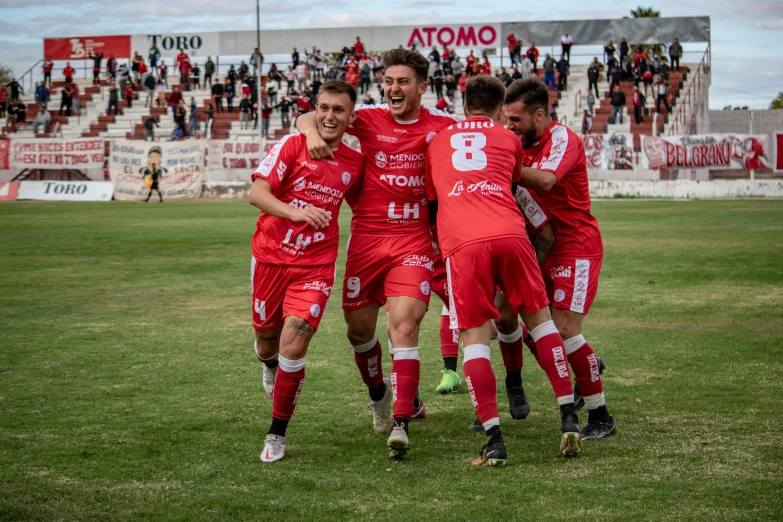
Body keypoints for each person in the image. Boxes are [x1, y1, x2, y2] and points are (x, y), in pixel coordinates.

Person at [296, 48, 459, 460]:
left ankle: (401, 421)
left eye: (402, 81)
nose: (393, 88)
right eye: (388, 80)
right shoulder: (365, 118)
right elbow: (309, 117)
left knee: (402, 328)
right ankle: (380, 397)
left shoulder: (443, 125)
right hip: (366, 241)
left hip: (413, 240)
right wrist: (313, 134)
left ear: (423, 87)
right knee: (359, 333)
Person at [427, 75, 582, 464]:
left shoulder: (437, 142)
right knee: (543, 324)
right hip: (511, 234)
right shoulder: (510, 140)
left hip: (463, 243)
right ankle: (568, 418)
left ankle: (494, 437)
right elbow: (513, 182)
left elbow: (433, 206)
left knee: (476, 339)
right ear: (500, 110)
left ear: (464, 106)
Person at [250, 80, 365, 464]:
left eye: (339, 110)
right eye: (323, 108)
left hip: (315, 266)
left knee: (294, 346)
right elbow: (257, 194)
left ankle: (277, 433)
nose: (330, 115)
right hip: (269, 259)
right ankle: (268, 365)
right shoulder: (292, 144)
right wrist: (295, 212)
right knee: (267, 344)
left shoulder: (354, 162)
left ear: (352, 117)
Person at [504, 78, 616, 442]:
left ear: (540, 115)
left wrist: (500, 166)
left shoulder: (563, 139)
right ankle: (586, 366)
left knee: (565, 330)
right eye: (506, 119)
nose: (510, 127)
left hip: (576, 248)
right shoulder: (516, 145)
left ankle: (601, 415)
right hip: (541, 246)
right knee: (529, 326)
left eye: (517, 119)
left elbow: (548, 182)